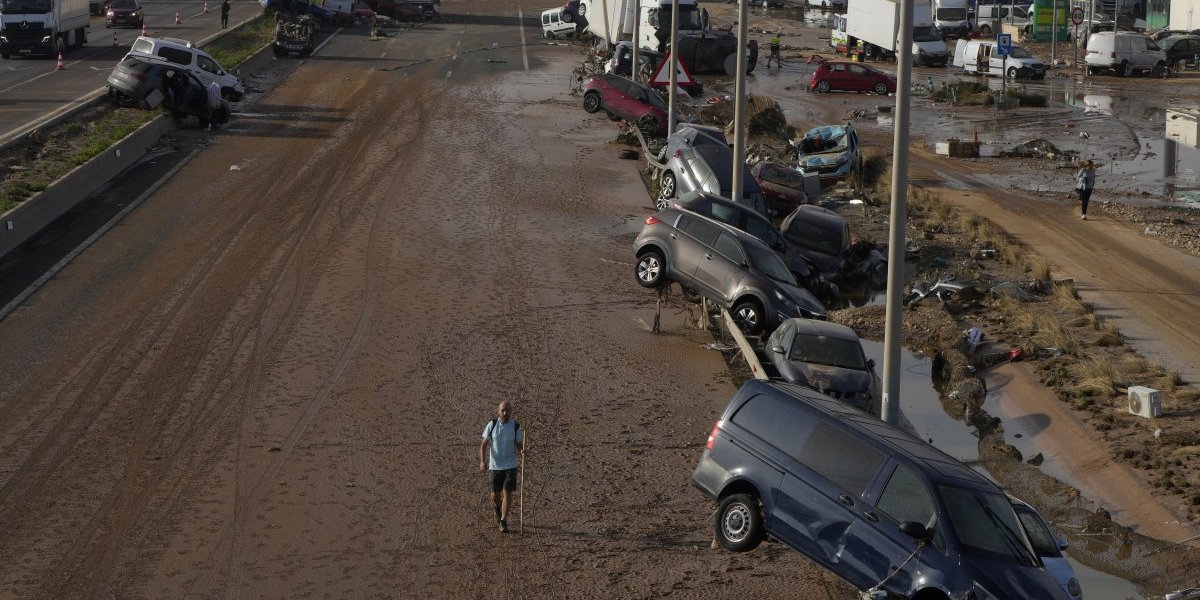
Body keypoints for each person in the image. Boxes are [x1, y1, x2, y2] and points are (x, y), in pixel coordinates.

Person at [479, 401, 523, 533]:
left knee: (507, 493)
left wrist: (522, 451)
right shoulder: (492, 425)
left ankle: (503, 520)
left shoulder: (515, 427)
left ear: (511, 411)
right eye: (503, 410)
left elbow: (519, 444)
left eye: (508, 410)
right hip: (495, 466)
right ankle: (497, 507)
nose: (505, 413)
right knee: (495, 496)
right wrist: (482, 461)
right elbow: (484, 445)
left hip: (511, 465)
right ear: (498, 411)